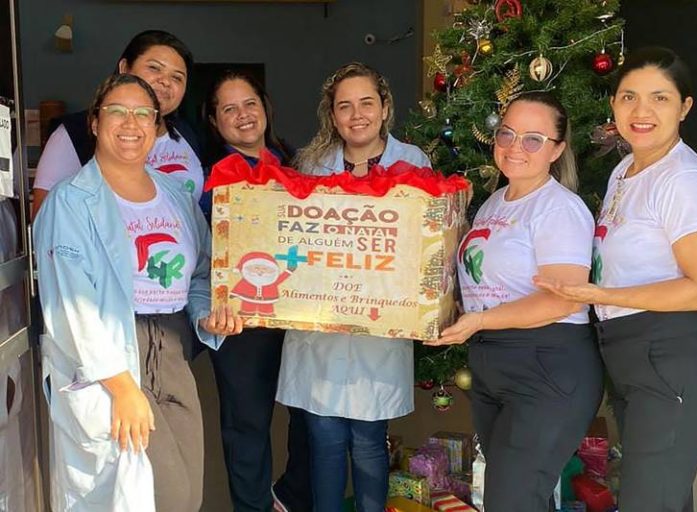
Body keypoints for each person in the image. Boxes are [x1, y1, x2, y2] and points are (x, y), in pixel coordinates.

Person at [34, 73, 242, 512]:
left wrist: (206, 313)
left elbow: (201, 270)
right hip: (110, 357)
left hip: (172, 350)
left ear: (155, 124)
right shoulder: (69, 202)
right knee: (155, 495)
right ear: (95, 122)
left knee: (188, 492)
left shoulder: (174, 195)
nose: (131, 123)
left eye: (143, 114)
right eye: (118, 111)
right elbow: (71, 305)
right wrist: (122, 388)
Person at [535, 47, 697, 512]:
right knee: (660, 499)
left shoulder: (685, 181)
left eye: (660, 98)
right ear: (614, 104)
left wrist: (603, 295)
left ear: (684, 107)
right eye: (629, 97)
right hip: (632, 361)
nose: (642, 112)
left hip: (671, 361)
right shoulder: (627, 170)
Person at [428, 91, 603, 511]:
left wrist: (478, 321)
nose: (514, 147)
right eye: (506, 133)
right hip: (495, 365)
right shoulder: (494, 203)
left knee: (511, 501)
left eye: (533, 139)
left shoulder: (559, 209)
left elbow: (563, 300)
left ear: (557, 149)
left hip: (545, 367)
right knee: (519, 500)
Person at [276, 62, 430, 512]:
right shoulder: (310, 165)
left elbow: (424, 244)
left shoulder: (413, 162)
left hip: (378, 328)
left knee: (368, 441)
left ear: (384, 108)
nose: (356, 114)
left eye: (366, 103)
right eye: (344, 106)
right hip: (318, 329)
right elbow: (289, 238)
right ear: (333, 114)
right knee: (323, 439)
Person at [204, 70, 312, 512]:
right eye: (229, 109)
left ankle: (290, 498)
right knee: (247, 426)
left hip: (301, 313)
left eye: (249, 103)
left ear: (265, 107)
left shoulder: (296, 163)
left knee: (309, 417)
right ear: (215, 121)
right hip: (243, 320)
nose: (243, 115)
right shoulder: (216, 177)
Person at [31, 29, 203, 220]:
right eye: (154, 68)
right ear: (124, 68)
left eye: (177, 77)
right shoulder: (74, 133)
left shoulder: (187, 134)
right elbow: (45, 219)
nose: (165, 82)